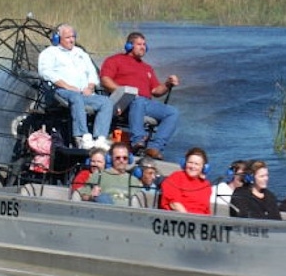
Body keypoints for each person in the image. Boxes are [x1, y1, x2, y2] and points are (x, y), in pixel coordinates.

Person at [99, 31, 180, 160]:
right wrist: (125, 91)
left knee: (172, 112)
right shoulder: (115, 60)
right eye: (139, 44)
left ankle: (154, 147)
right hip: (124, 102)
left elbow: (156, 91)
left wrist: (168, 84)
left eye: (144, 45)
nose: (143, 47)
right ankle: (137, 141)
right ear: (129, 46)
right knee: (138, 100)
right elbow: (105, 80)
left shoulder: (147, 68)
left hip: (145, 103)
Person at [38, 23, 112, 150]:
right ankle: (82, 136)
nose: (72, 40)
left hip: (84, 92)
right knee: (76, 98)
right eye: (67, 37)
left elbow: (92, 72)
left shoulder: (80, 53)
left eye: (73, 37)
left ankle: (100, 138)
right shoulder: (49, 53)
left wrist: (90, 86)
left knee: (106, 102)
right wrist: (67, 86)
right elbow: (46, 73)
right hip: (60, 91)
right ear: (57, 38)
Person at [77, 142, 143, 205]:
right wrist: (91, 196)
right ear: (110, 158)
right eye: (118, 158)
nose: (121, 160)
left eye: (125, 158)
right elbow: (82, 195)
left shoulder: (134, 181)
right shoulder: (98, 176)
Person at [159, 147, 212, 214]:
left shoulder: (206, 185)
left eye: (197, 164)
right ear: (184, 163)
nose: (192, 166)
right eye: (190, 162)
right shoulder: (176, 177)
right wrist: (190, 220)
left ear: (204, 167)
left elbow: (206, 211)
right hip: (179, 219)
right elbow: (174, 204)